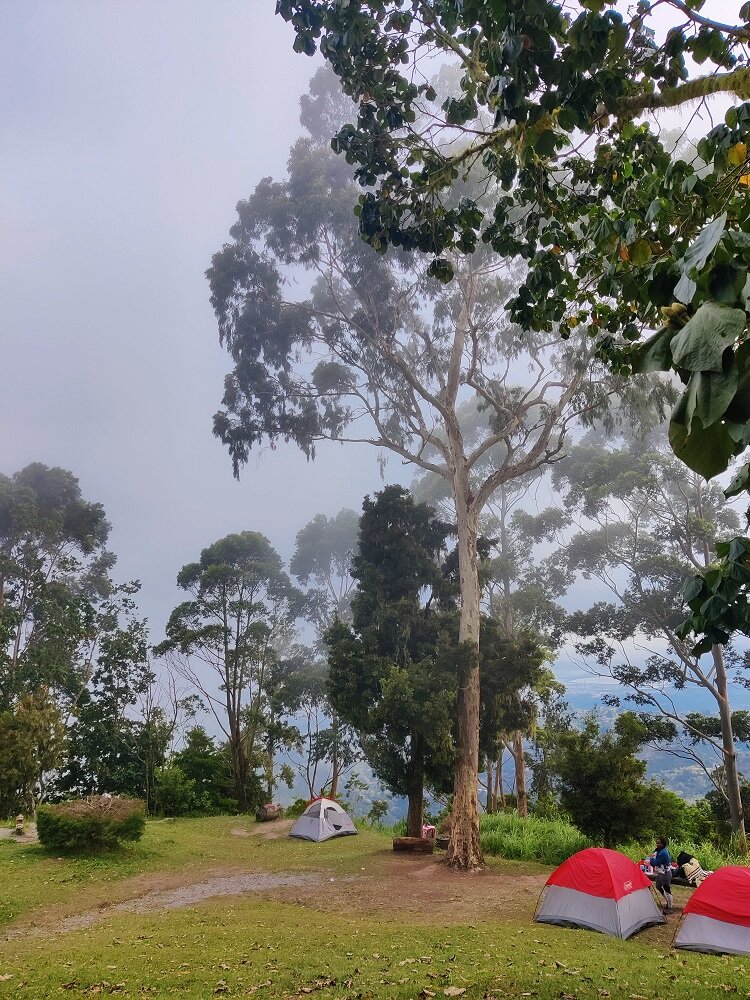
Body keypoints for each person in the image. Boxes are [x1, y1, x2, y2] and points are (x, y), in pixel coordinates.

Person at [650, 836, 674, 914]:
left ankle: (670, 908)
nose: (657, 844)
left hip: (665, 873)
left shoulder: (663, 853)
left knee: (667, 890)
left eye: (659, 843)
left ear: (663, 844)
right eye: (656, 843)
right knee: (658, 886)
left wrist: (651, 858)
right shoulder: (659, 850)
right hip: (660, 873)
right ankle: (668, 901)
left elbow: (654, 863)